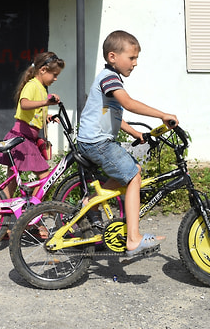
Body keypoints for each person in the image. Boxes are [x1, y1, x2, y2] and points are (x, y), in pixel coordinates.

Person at [77, 30, 178, 258]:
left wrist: (135, 133)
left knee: (134, 170)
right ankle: (133, 238)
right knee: (133, 176)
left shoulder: (109, 79)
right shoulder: (109, 78)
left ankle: (90, 201)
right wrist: (162, 114)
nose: (135, 63)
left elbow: (112, 114)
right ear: (113, 57)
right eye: (131, 58)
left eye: (136, 58)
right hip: (97, 143)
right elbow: (128, 104)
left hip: (95, 141)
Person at [0, 51, 64, 199]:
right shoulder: (32, 85)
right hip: (22, 139)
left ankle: (1, 221)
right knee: (45, 177)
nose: (56, 78)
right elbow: (24, 104)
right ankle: (33, 213)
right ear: (43, 70)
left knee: (12, 179)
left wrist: (48, 117)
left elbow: (34, 114)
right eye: (54, 74)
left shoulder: (41, 88)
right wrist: (46, 102)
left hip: (24, 138)